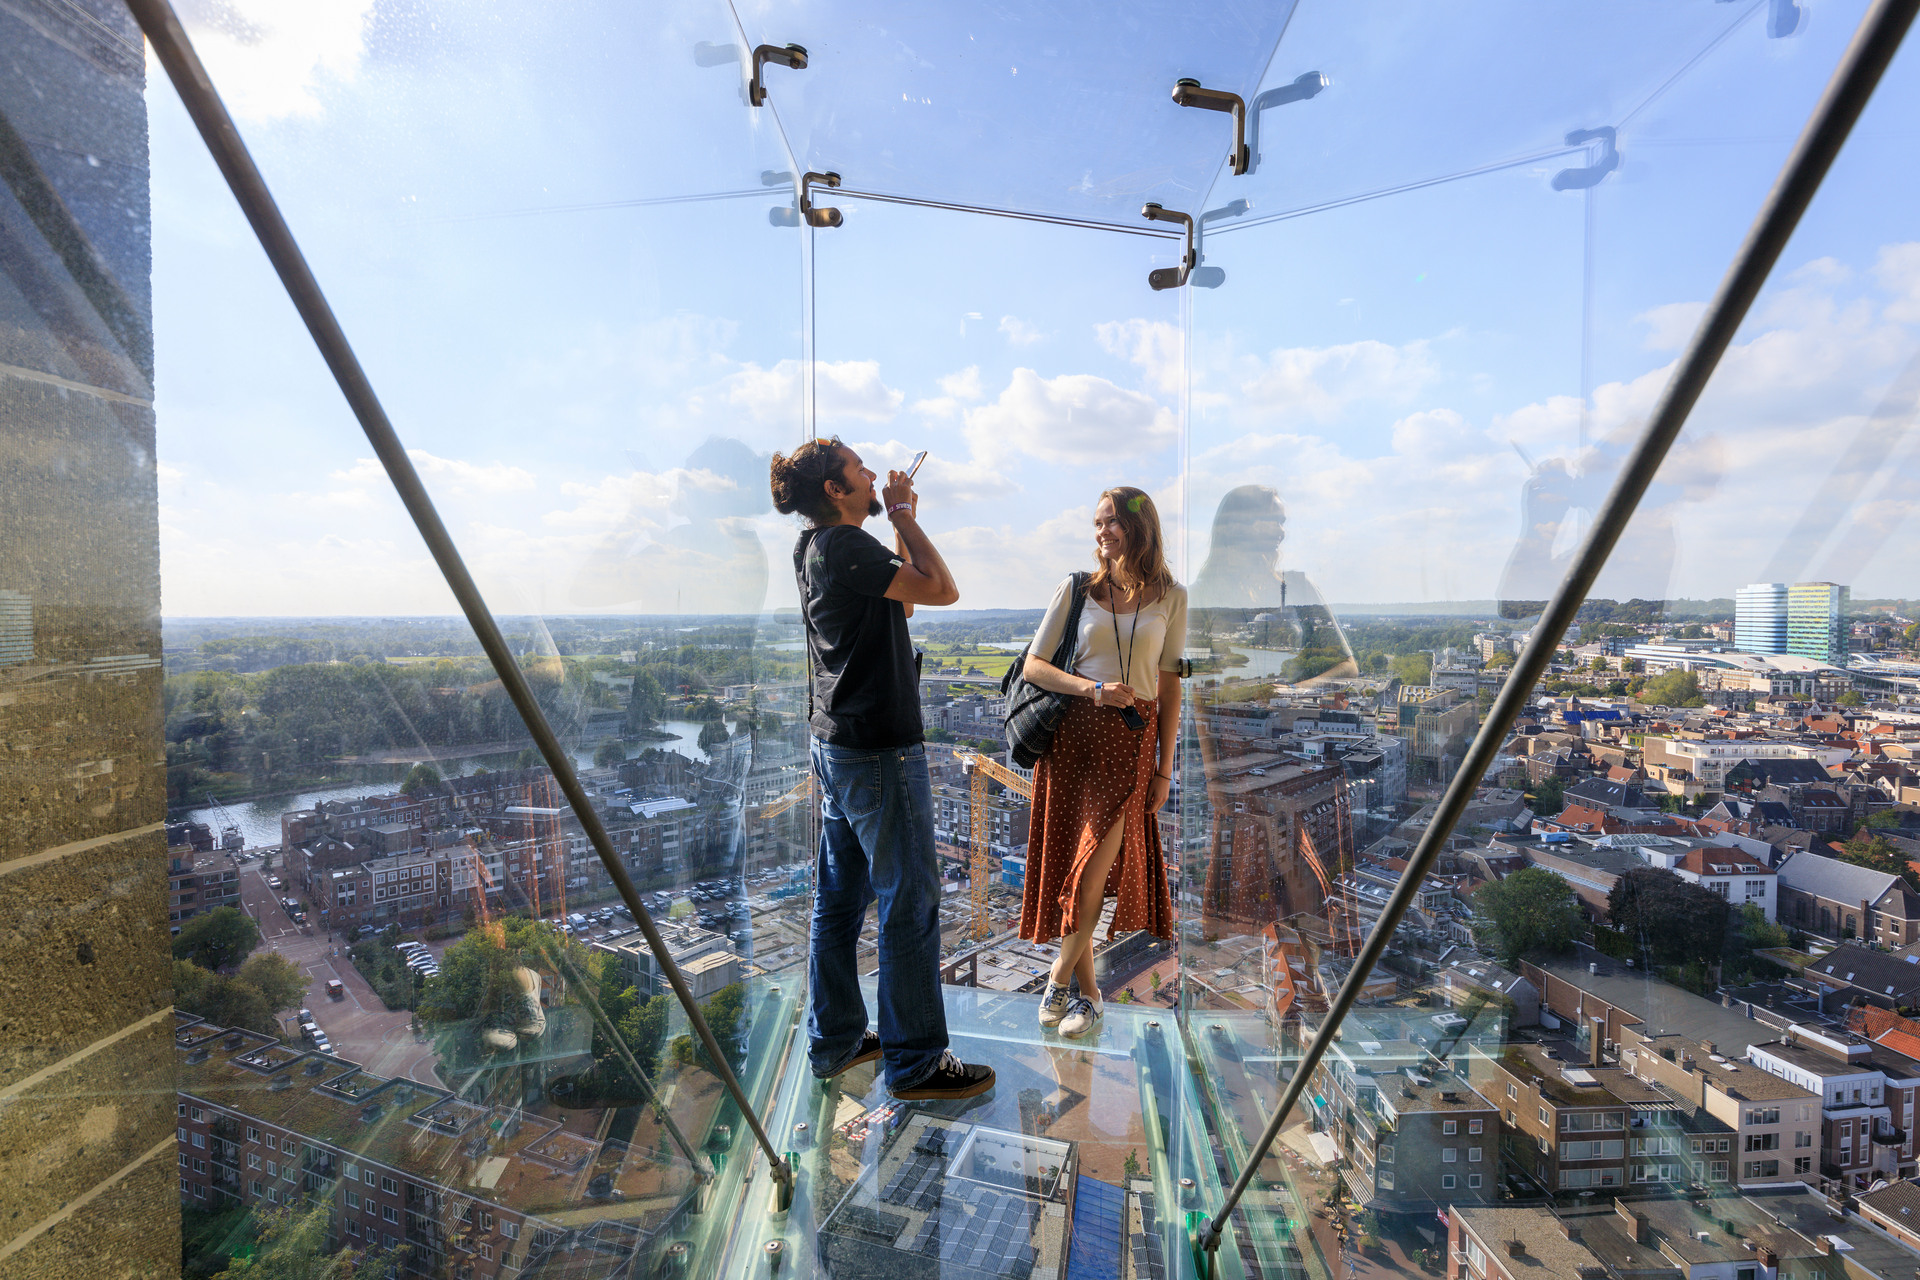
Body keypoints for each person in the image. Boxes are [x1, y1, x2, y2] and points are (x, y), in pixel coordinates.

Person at [769, 437, 995, 1101]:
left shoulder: (815, 547)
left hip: (837, 744)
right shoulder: (846, 544)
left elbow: (908, 601)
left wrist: (895, 521)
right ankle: (917, 1062)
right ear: (836, 491)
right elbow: (945, 590)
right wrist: (902, 515)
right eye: (859, 470)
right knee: (910, 901)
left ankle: (836, 1039)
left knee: (838, 901)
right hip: (877, 749)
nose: (872, 475)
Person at [1017, 487, 1185, 1038]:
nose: (1101, 533)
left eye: (1111, 522)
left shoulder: (1172, 596)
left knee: (1092, 867)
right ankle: (1088, 996)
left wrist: (1164, 768)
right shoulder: (1077, 589)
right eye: (1097, 524)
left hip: (1129, 746)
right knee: (1077, 871)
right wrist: (1091, 689)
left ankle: (1058, 977)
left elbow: (1168, 687)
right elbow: (1034, 667)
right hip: (1071, 740)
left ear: (1141, 527)